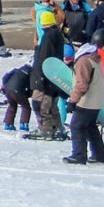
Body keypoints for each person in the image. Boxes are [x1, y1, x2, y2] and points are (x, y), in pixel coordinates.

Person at [64, 39, 104, 165]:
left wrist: (73, 101)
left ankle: (78, 155)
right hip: (98, 99)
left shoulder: (83, 61)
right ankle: (100, 155)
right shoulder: (96, 58)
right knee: (90, 127)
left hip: (87, 101)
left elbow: (82, 85)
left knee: (76, 126)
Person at [29, 9, 68, 139]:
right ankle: (58, 128)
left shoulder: (48, 37)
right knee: (52, 106)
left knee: (41, 104)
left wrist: (40, 78)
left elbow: (43, 58)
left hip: (45, 78)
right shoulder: (57, 35)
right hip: (54, 76)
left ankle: (46, 129)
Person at [1, 63, 34, 133]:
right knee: (26, 107)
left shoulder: (17, 70)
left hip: (8, 88)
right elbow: (32, 88)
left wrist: (4, 86)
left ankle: (8, 124)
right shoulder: (32, 74)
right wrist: (27, 95)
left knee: (12, 105)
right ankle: (24, 124)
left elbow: (5, 77)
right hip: (18, 90)